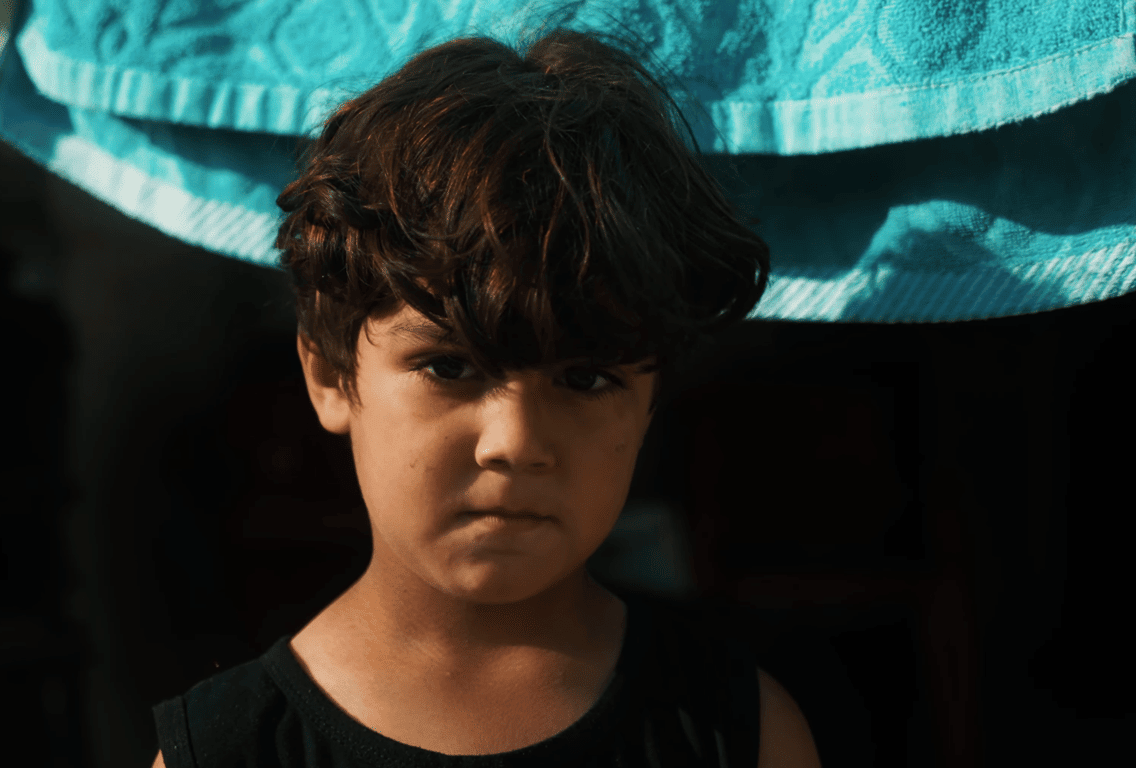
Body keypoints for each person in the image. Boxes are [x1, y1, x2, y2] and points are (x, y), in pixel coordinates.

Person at [151, 20, 822, 768]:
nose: (516, 442)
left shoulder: (742, 733)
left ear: (649, 402)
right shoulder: (227, 752)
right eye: (450, 368)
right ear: (331, 375)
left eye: (584, 379)